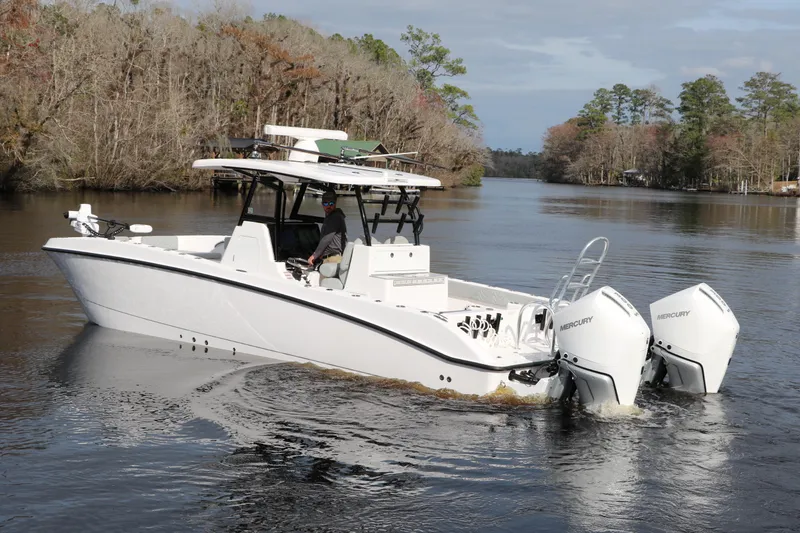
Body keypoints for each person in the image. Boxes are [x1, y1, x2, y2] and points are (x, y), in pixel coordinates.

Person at [308, 189, 347, 267]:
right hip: (332, 258)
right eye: (326, 203)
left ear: (335, 204)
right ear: (322, 204)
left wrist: (314, 255)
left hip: (333, 259)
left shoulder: (335, 217)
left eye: (331, 203)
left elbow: (326, 239)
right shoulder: (332, 216)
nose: (329, 206)